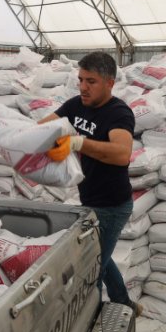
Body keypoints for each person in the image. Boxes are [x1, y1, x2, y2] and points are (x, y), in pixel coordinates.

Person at [40, 51, 139, 313]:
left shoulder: (119, 113)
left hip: (112, 206)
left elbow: (121, 154)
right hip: (90, 200)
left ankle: (89, 321)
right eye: (81, 79)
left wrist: (78, 142)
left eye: (91, 81)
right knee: (102, 259)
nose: (83, 87)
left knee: (92, 267)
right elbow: (43, 127)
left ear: (109, 83)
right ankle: (125, 303)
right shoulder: (75, 105)